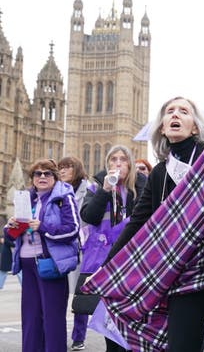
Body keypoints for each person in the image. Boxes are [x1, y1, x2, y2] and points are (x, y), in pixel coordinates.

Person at [105, 96, 204, 352]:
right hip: (186, 270)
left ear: (195, 126)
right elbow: (138, 222)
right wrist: (108, 265)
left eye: (183, 111)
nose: (175, 115)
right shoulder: (159, 174)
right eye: (169, 112)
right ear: (162, 127)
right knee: (180, 344)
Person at [4, 158, 80, 351]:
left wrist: (43, 227)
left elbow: (72, 230)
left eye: (47, 173)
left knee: (52, 319)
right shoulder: (25, 198)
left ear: (55, 177)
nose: (42, 177)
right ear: (32, 178)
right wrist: (11, 227)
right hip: (26, 264)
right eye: (38, 173)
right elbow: (12, 235)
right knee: (30, 318)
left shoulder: (63, 197)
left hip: (50, 264)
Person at [81, 145, 144, 352]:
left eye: (123, 159)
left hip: (134, 263)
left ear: (130, 164)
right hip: (107, 263)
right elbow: (89, 216)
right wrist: (105, 191)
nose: (118, 164)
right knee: (110, 325)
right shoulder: (97, 186)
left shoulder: (143, 186)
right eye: (113, 159)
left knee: (133, 325)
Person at [58, 156, 95, 351]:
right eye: (60, 168)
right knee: (59, 294)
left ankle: (78, 336)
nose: (62, 171)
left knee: (80, 294)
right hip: (60, 248)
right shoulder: (56, 191)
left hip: (82, 248)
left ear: (77, 169)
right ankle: (56, 333)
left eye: (67, 167)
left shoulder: (88, 189)